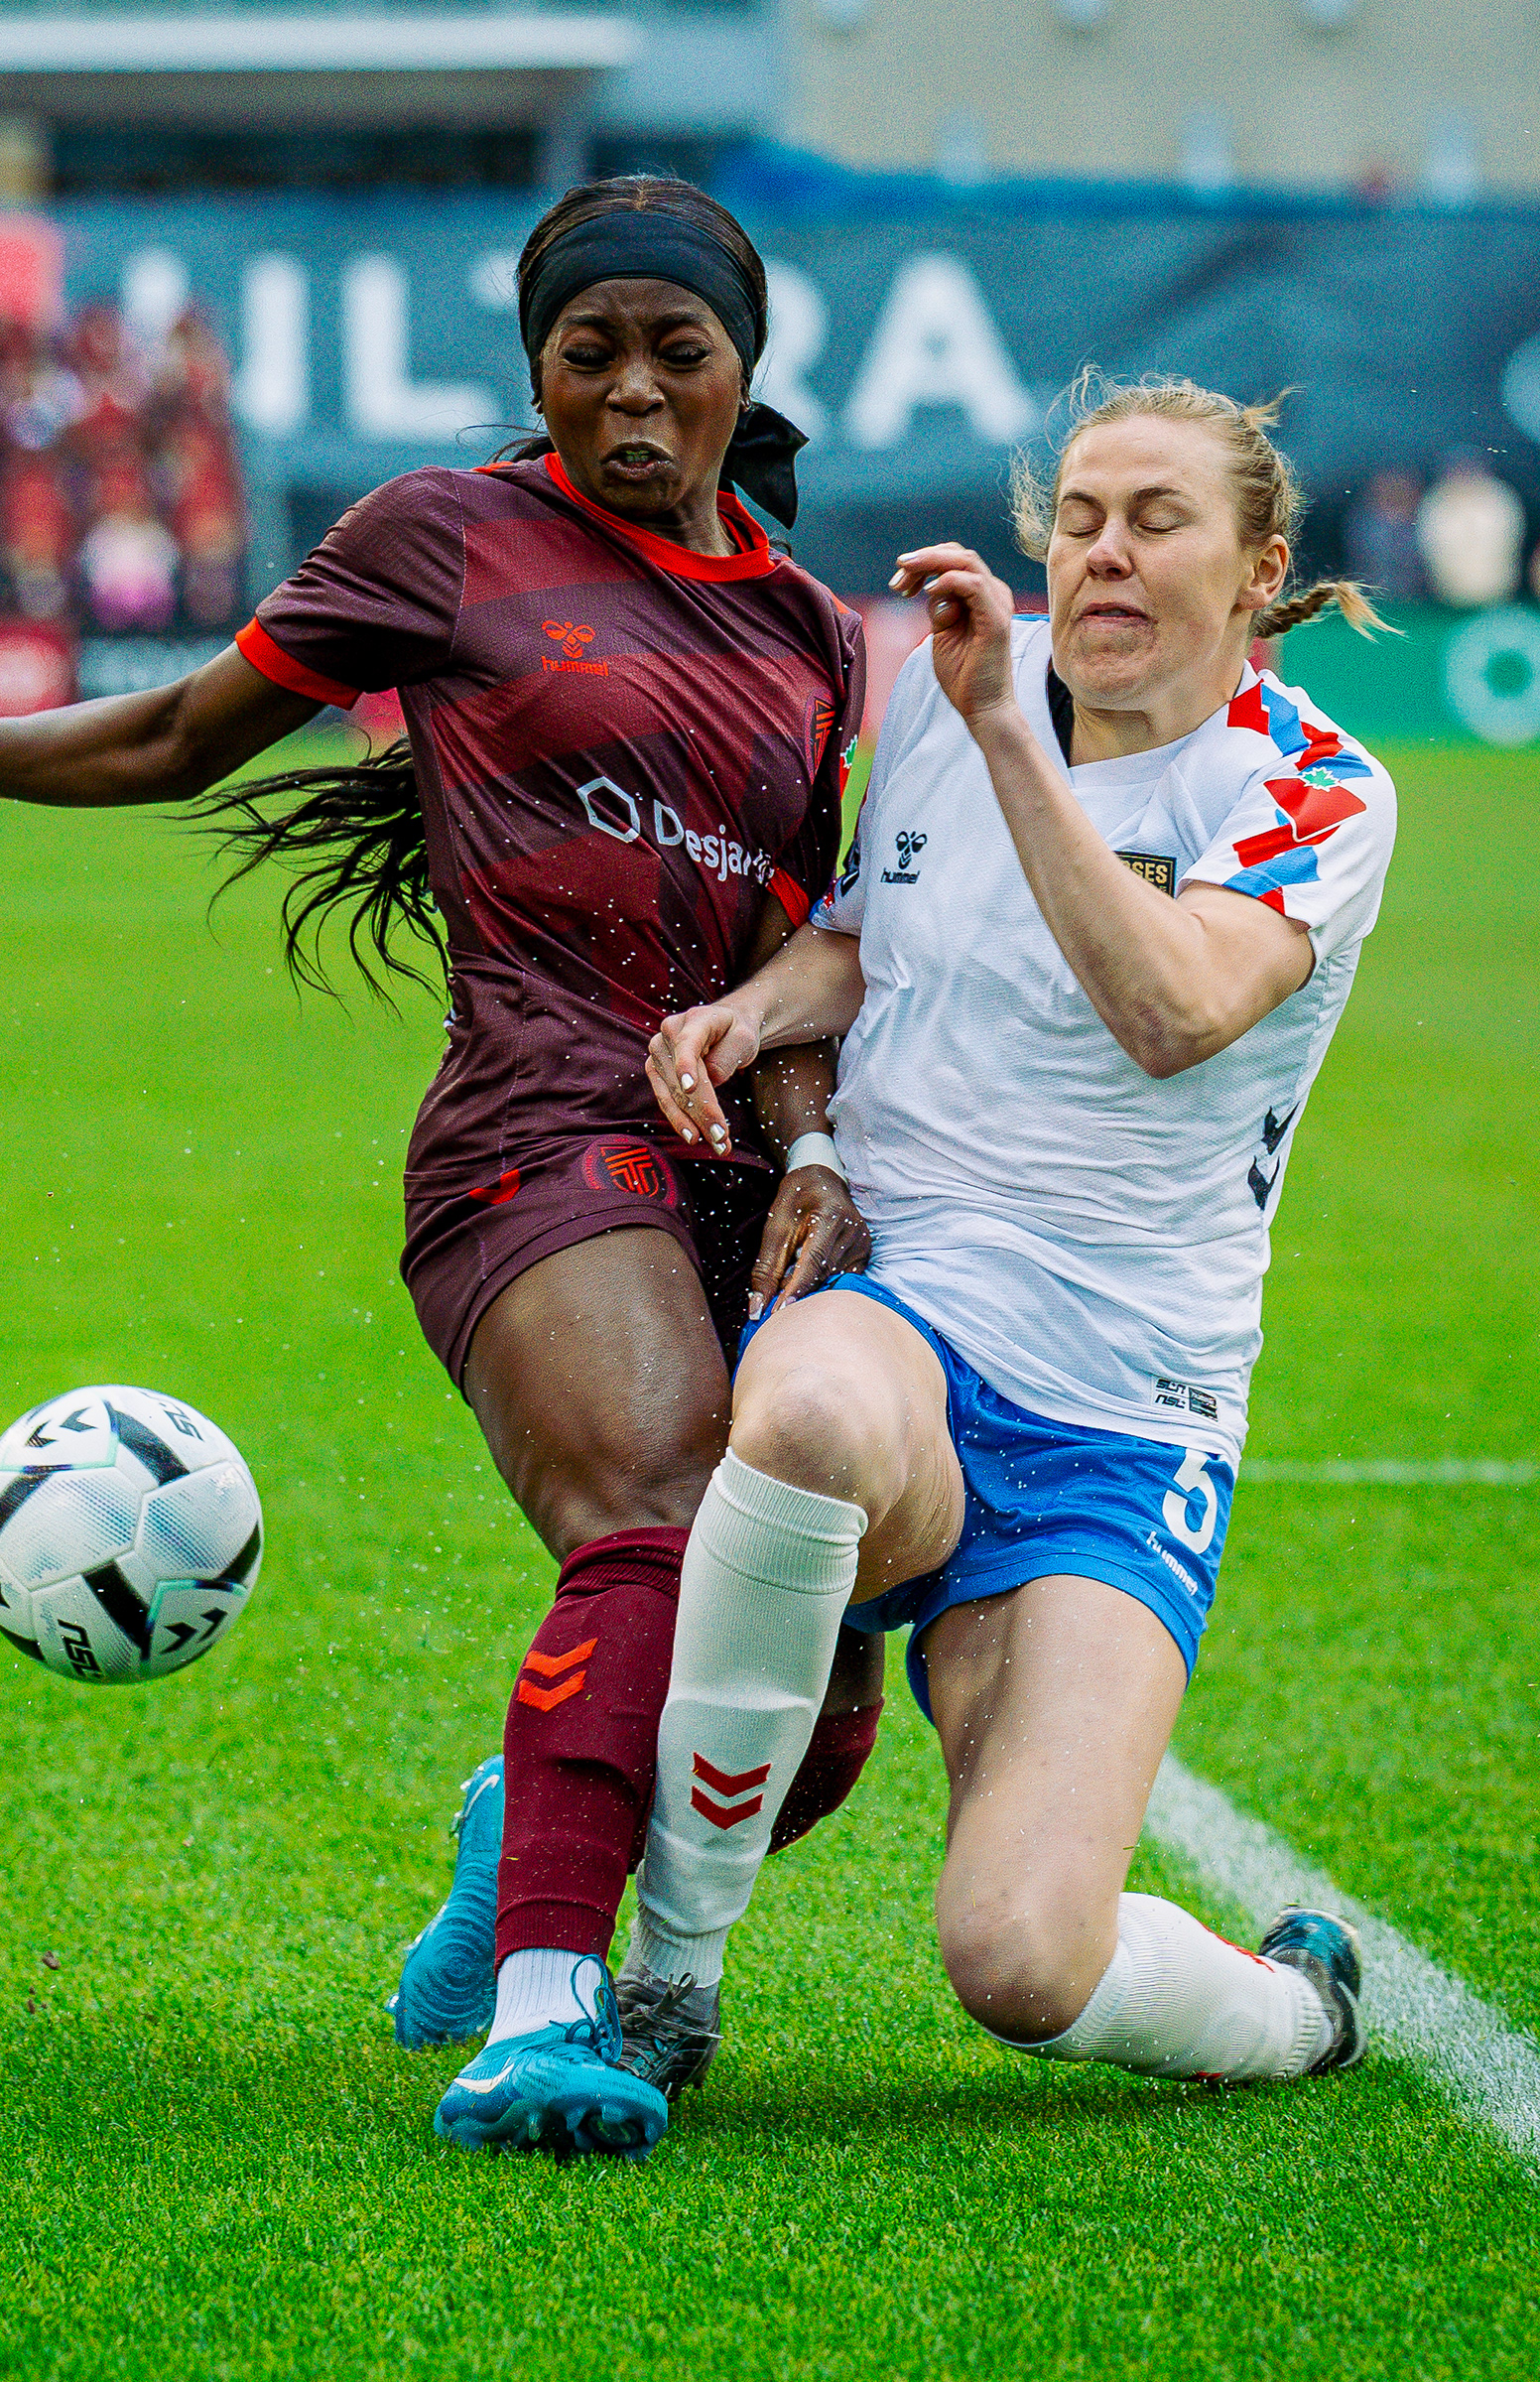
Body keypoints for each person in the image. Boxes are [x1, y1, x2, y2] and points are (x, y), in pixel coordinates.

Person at [0, 175, 879, 2163]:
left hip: (723, 1172)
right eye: (585, 351)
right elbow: (189, 733)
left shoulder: (805, 636)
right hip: (534, 1139)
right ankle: (545, 2018)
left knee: (819, 1685)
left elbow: (792, 955)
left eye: (671, 354)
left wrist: (813, 1153)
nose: (628, 393)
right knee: (657, 1492)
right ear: (536, 367)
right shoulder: (447, 541)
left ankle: (523, 1823)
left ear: (741, 371)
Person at [635, 377, 1395, 2110]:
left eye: (1157, 521)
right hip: (913, 1304)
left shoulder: (1313, 788)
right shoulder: (943, 696)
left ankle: (1300, 2016)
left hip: (1130, 1407)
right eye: (1079, 519)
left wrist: (1006, 737)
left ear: (1261, 568)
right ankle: (667, 1981)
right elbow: (868, 942)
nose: (1104, 556)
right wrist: (755, 1016)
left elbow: (1175, 1006)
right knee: (813, 1410)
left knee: (1022, 1959)